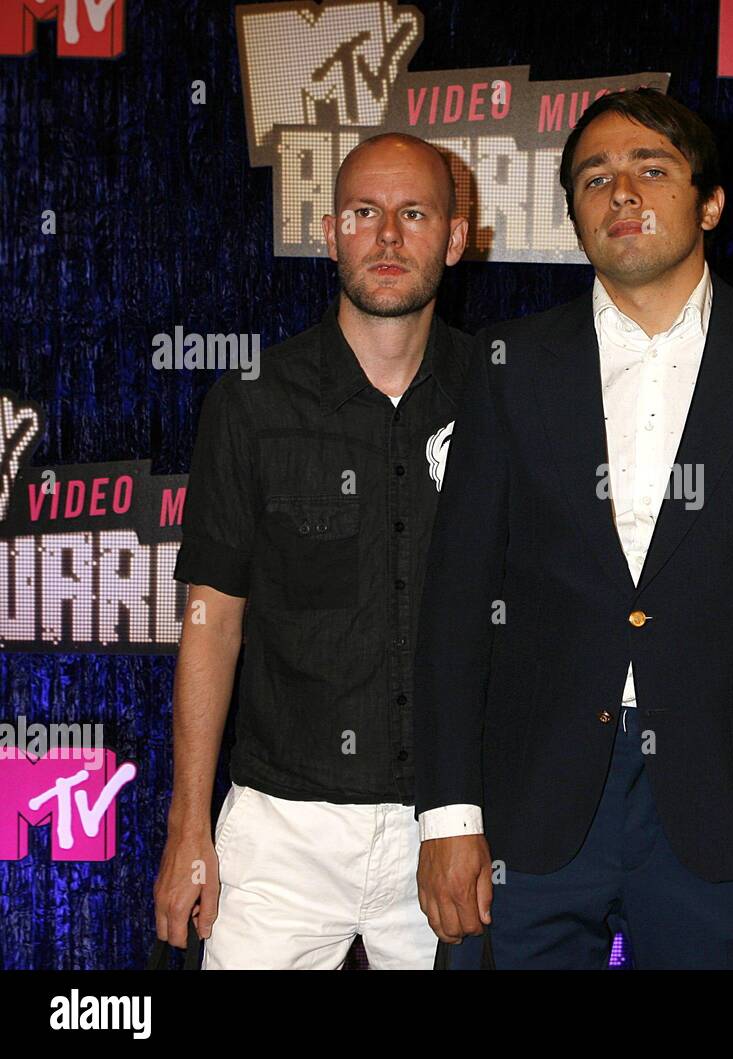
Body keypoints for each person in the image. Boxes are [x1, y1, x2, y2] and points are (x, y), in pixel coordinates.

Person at [413, 88, 733, 969]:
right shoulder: (508, 366)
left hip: (727, 797)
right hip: (533, 800)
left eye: (652, 169)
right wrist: (448, 813)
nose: (622, 192)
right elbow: (454, 599)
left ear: (709, 203)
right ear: (575, 218)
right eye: (596, 178)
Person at [154, 133, 472, 969]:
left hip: (450, 823)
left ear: (456, 236)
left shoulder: (501, 398)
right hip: (279, 828)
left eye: (415, 214)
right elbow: (212, 622)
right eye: (366, 213)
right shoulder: (252, 404)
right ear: (332, 232)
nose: (390, 238)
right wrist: (189, 823)